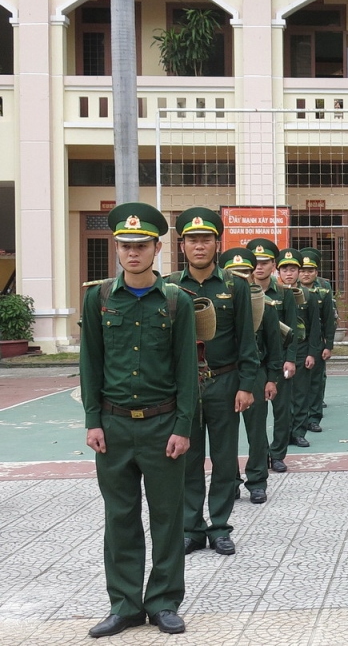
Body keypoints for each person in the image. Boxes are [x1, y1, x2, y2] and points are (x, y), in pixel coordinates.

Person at [79, 203, 197, 638]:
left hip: (161, 426)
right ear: (116, 248)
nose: (133, 253)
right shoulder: (100, 298)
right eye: (126, 246)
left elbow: (187, 369)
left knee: (168, 518)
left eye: (141, 245)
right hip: (112, 427)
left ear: (157, 248)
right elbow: (90, 362)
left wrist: (184, 426)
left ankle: (163, 601)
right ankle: (125, 604)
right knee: (120, 517)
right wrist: (93, 420)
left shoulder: (176, 301)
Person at [172, 208, 259, 557]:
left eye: (205, 239)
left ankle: (220, 527)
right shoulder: (170, 287)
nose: (199, 246)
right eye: (192, 240)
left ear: (216, 243)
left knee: (224, 460)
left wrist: (247, 384)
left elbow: (246, 340)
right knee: (188, 460)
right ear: (182, 246)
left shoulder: (235, 286)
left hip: (225, 382)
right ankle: (191, 528)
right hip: (186, 387)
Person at [244, 241, 291, 497]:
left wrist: (275, 375)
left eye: (263, 263)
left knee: (259, 428)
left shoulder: (271, 300)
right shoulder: (224, 302)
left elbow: (279, 342)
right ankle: (229, 481)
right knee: (224, 436)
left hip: (260, 371)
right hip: (226, 374)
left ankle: (258, 480)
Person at [271, 248, 318, 468]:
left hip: (300, 350)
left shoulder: (309, 294)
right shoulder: (275, 293)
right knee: (282, 399)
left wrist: (312, 352)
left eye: (293, 269)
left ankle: (298, 432)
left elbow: (315, 326)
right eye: (285, 269)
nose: (289, 273)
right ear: (278, 270)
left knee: (300, 394)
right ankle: (283, 435)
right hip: (279, 351)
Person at [293, 249, 333, 440]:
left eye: (310, 270)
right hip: (297, 344)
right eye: (303, 270)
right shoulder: (290, 290)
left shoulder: (323, 289)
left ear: (316, 272)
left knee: (316, 382)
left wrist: (329, 345)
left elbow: (328, 319)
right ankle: (298, 419)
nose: (306, 274)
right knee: (298, 385)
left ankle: (314, 418)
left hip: (317, 343)